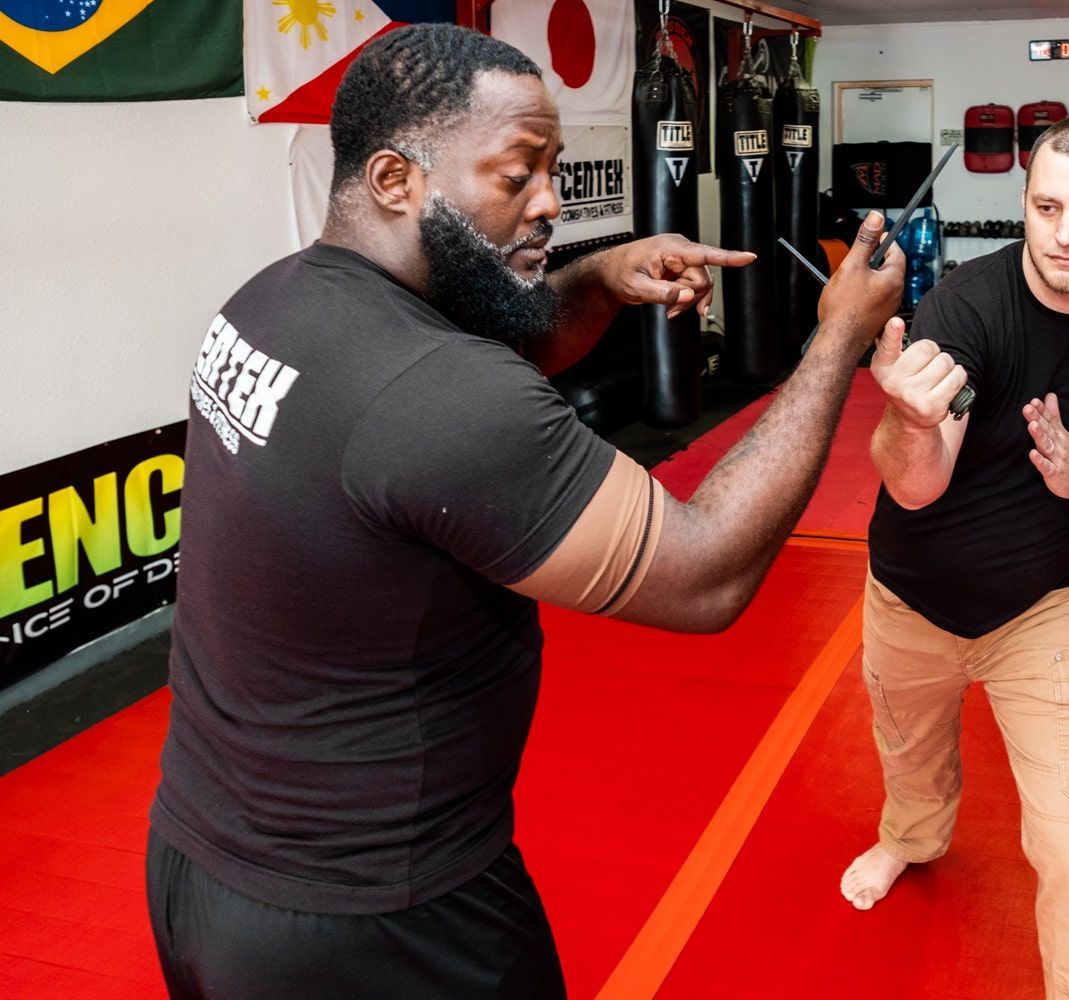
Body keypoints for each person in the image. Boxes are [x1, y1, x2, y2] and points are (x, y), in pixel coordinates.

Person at [146, 24, 903, 999]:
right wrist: (838, 336)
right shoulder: (438, 394)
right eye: (517, 175)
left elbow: (489, 353)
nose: (550, 201)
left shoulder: (273, 301)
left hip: (201, 861)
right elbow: (708, 573)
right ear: (394, 179)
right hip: (376, 918)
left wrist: (601, 277)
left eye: (553, 169)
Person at [839, 114, 1069, 999]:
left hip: (1044, 610)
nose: (1066, 234)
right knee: (911, 760)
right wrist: (909, 418)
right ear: (1024, 201)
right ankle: (911, 840)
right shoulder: (965, 305)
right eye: (1047, 208)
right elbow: (914, 486)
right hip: (910, 598)